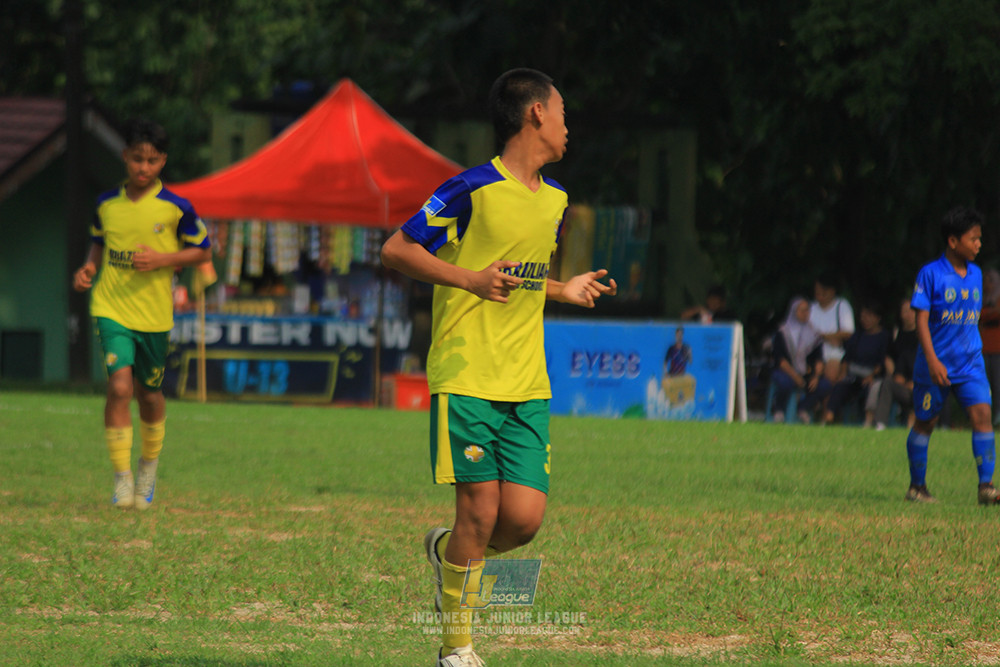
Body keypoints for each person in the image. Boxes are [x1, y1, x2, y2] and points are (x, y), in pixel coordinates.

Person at [380, 68, 616, 667]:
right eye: (562, 112)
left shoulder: (557, 201)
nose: (568, 125)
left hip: (527, 382)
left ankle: (446, 554)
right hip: (466, 375)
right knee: (479, 513)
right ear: (535, 113)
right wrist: (468, 278)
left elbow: (524, 278)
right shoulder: (468, 189)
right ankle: (456, 649)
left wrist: (565, 290)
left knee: (523, 522)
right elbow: (397, 249)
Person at [72, 118, 211, 510]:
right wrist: (88, 270)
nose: (143, 168)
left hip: (154, 315)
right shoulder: (106, 205)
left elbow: (203, 251)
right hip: (111, 308)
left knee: (150, 395)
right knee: (119, 388)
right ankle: (121, 479)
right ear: (125, 157)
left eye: (151, 161)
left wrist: (164, 258)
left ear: (162, 161)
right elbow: (98, 246)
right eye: (137, 159)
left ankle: (148, 467)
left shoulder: (177, 208)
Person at [903, 206, 998, 505]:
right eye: (974, 239)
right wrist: (932, 360)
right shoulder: (930, 274)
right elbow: (920, 320)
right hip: (936, 364)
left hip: (970, 363)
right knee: (925, 422)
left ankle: (986, 487)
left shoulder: (977, 274)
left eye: (980, 238)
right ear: (953, 241)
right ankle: (917, 488)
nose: (979, 244)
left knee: (982, 415)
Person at [823, 300, 890, 425]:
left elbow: (882, 362)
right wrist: (842, 374)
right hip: (853, 375)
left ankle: (868, 421)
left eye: (869, 316)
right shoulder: (857, 336)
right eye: (863, 316)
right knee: (839, 387)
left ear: (877, 318)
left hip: (872, 377)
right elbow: (846, 358)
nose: (865, 319)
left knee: (871, 390)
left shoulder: (884, 337)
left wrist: (871, 376)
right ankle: (829, 417)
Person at [769, 297, 828, 423]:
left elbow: (819, 359)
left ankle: (803, 408)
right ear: (793, 312)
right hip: (786, 371)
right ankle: (779, 410)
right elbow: (780, 360)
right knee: (785, 382)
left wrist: (816, 376)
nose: (805, 313)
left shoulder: (814, 334)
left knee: (825, 385)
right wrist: (795, 376)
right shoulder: (783, 332)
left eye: (807, 310)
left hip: (806, 372)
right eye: (801, 311)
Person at [874, 296, 919, 431]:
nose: (909, 314)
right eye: (905, 311)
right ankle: (880, 424)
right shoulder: (897, 337)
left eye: (912, 310)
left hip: (925, 387)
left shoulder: (928, 338)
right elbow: (895, 366)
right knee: (886, 383)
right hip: (903, 383)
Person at [809, 272, 855, 383]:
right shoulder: (811, 308)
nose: (820, 295)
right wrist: (829, 337)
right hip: (813, 352)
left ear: (832, 291)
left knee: (830, 376)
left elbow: (848, 332)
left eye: (823, 292)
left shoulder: (842, 305)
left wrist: (823, 336)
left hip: (834, 353)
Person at [979, 267, 1000, 426]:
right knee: (984, 385)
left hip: (997, 349)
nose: (987, 285)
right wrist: (990, 313)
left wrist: (987, 314)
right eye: (985, 282)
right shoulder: (980, 298)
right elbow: (977, 315)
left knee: (997, 384)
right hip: (983, 349)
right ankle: (984, 416)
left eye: (990, 281)